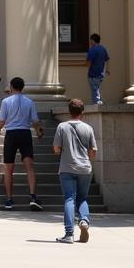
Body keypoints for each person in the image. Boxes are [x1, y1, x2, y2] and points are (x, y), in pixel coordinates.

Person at [0, 76, 44, 210]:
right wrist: (38, 131)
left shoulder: (5, 101)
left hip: (11, 134)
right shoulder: (29, 102)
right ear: (22, 88)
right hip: (25, 133)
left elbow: (2, 119)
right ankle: (33, 196)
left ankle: (9, 199)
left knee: (8, 168)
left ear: (11, 87)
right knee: (29, 166)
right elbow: (35, 121)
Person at [53, 98, 98, 243]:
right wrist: (87, 160)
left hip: (67, 167)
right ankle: (84, 220)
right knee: (82, 198)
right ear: (82, 112)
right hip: (85, 168)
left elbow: (56, 149)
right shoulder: (88, 128)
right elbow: (93, 151)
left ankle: (69, 234)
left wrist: (63, 150)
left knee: (69, 198)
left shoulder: (62, 127)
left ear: (69, 111)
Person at [85, 33, 110, 106]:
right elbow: (107, 59)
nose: (90, 42)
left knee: (94, 89)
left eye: (91, 41)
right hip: (101, 74)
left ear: (93, 40)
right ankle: (96, 102)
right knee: (96, 88)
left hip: (93, 73)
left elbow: (88, 62)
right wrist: (107, 70)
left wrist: (87, 67)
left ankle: (98, 102)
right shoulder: (103, 49)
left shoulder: (92, 50)